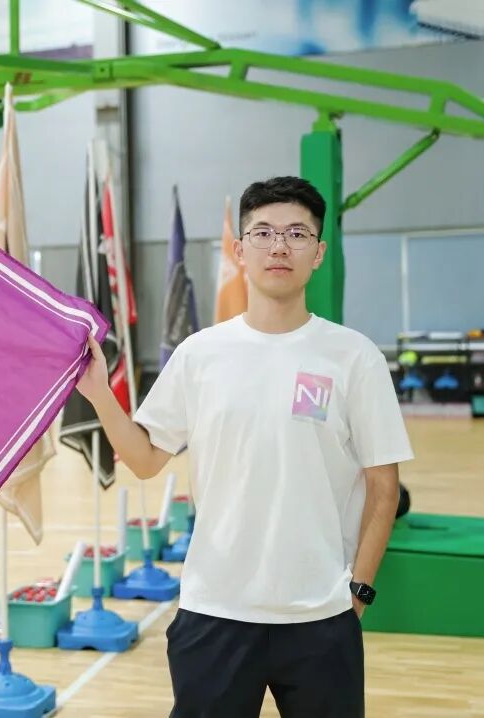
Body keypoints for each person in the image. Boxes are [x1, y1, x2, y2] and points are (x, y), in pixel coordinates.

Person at [76, 176, 413, 718]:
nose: (279, 246)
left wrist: (359, 593)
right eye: (263, 233)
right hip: (214, 613)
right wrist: (99, 394)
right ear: (240, 250)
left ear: (318, 253)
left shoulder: (355, 357)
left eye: (297, 234)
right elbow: (144, 459)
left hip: (321, 618)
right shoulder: (199, 355)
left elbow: (383, 485)